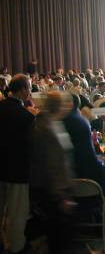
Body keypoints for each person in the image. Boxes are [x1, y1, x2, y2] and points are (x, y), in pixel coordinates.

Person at [30, 91, 76, 254]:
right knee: (58, 236)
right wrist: (61, 196)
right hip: (52, 190)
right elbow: (50, 165)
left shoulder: (56, 123)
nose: (68, 107)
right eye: (65, 104)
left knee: (61, 234)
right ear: (58, 106)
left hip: (61, 186)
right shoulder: (45, 128)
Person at [0, 74, 35, 254]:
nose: (30, 91)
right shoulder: (26, 117)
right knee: (16, 213)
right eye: (29, 87)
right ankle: (16, 247)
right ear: (22, 90)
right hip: (18, 170)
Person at [63, 93, 103, 183]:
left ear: (70, 104)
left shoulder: (74, 118)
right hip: (90, 169)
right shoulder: (80, 117)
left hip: (82, 173)